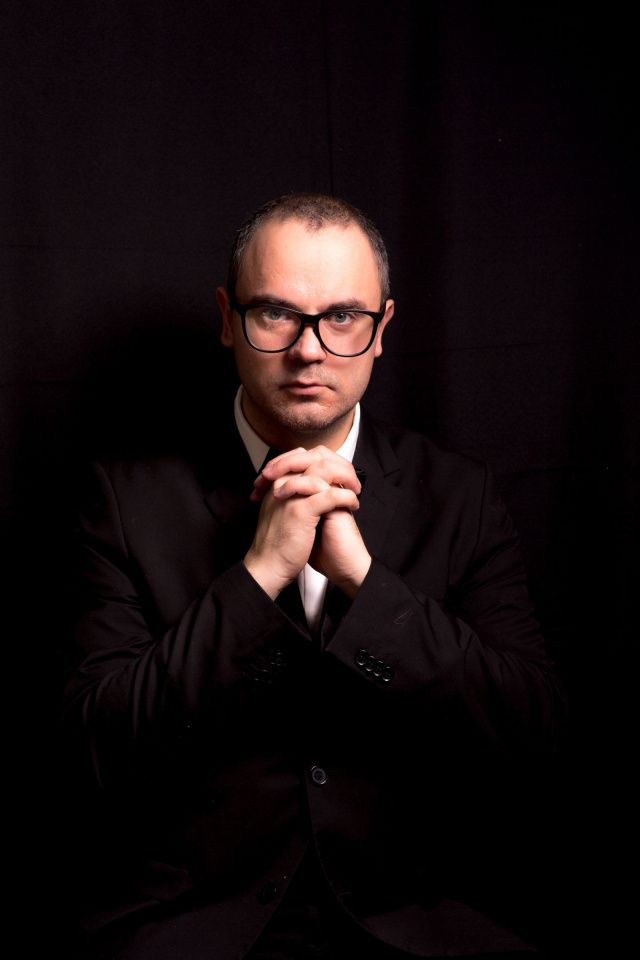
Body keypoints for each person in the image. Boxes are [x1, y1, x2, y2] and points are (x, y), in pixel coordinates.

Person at [64, 194, 564, 959]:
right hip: (193, 925)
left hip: (417, 919)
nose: (310, 350)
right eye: (276, 314)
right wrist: (258, 575)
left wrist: (366, 581)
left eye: (342, 317)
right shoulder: (124, 500)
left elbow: (534, 733)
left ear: (382, 329)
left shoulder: (461, 495)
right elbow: (94, 750)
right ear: (228, 319)